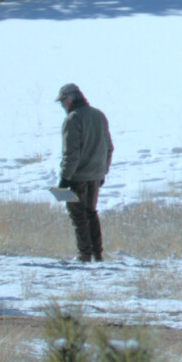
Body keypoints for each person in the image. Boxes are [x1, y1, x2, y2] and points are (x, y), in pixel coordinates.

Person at [56, 82, 113, 262]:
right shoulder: (99, 115)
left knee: (78, 217)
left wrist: (65, 178)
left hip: (76, 177)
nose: (62, 105)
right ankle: (97, 254)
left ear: (71, 98)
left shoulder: (73, 119)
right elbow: (109, 148)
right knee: (91, 213)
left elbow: (71, 154)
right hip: (96, 176)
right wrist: (103, 172)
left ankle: (84, 255)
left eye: (63, 101)